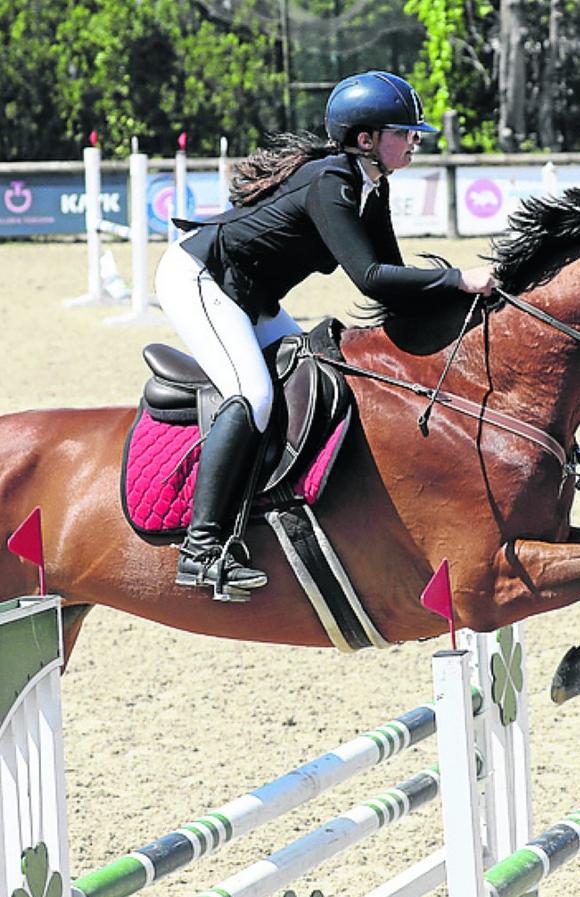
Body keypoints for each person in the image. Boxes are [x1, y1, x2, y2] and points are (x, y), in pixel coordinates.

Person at [154, 70, 497, 598]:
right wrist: (458, 278)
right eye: (403, 131)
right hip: (201, 277)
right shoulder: (331, 182)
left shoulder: (370, 186)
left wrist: (464, 302)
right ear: (366, 139)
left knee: (308, 376)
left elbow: (392, 287)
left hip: (253, 295)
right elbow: (370, 277)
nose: (414, 140)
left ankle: (269, 508)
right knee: (254, 394)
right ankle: (201, 551)